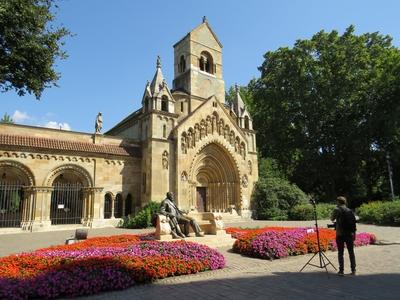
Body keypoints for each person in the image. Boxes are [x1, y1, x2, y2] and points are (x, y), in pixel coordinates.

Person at [330, 196, 356, 276]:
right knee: (351, 252)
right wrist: (354, 233)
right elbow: (354, 223)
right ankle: (353, 270)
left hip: (340, 234)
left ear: (338, 202)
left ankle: (341, 270)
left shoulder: (337, 210)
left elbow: (331, 219)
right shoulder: (349, 210)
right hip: (349, 234)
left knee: (340, 252)